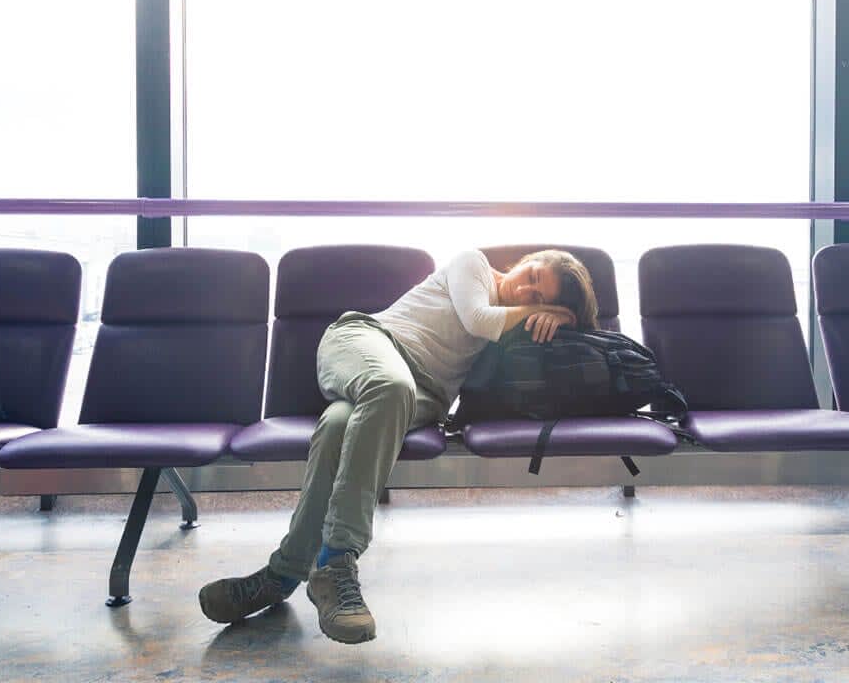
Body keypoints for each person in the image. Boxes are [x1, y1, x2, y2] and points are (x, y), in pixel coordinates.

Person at [198, 248, 599, 644]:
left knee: (338, 425)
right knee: (390, 386)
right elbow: (479, 321)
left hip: (422, 394)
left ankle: (282, 574)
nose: (526, 292)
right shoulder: (473, 265)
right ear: (522, 262)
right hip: (367, 343)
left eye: (540, 298)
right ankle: (337, 559)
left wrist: (556, 324)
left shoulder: (516, 326)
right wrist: (537, 312)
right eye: (532, 277)